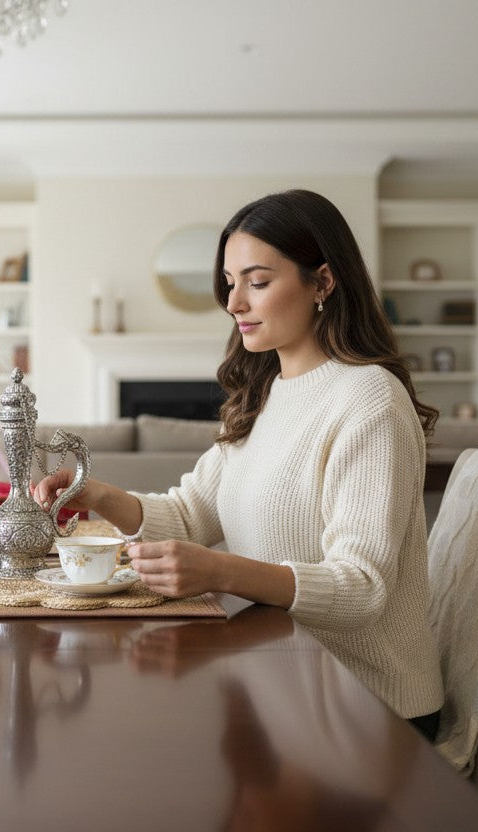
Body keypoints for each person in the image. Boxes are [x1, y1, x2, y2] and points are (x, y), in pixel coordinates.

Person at [34, 189, 445, 739]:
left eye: (258, 281)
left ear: (323, 282)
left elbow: (363, 588)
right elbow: (188, 515)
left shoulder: (369, 401)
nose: (234, 304)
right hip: (280, 678)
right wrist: (97, 495)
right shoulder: (265, 393)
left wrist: (219, 570)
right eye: (230, 283)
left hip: (366, 706)